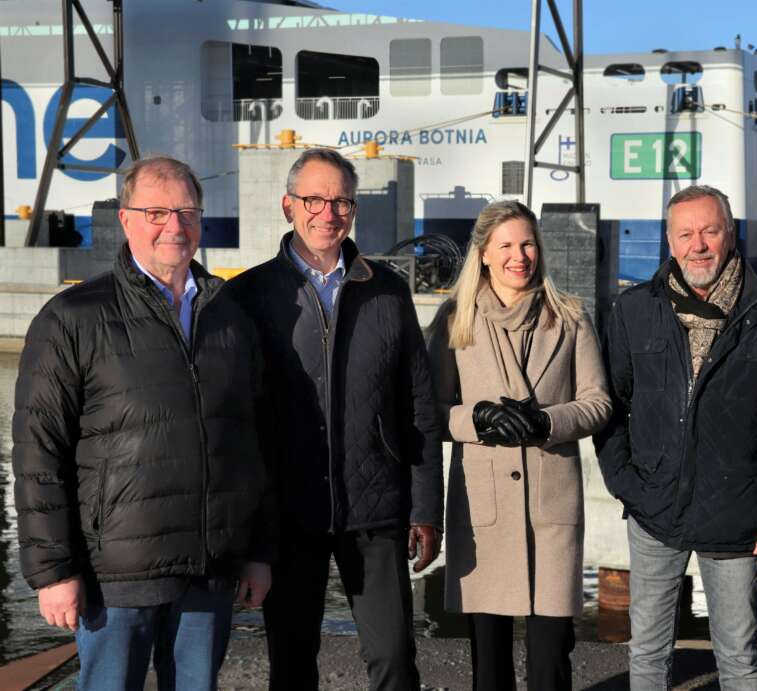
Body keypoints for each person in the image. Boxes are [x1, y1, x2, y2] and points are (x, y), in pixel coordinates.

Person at [12, 155, 274, 690]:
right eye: (156, 212)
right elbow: (39, 451)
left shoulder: (230, 317)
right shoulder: (73, 318)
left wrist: (257, 554)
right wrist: (53, 571)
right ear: (126, 219)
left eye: (186, 212)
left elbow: (255, 444)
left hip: (210, 567)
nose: (173, 226)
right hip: (117, 573)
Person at [225, 148, 444, 691]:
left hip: (375, 506)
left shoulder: (387, 291)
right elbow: (234, 418)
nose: (328, 212)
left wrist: (425, 506)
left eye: (341, 200)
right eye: (314, 199)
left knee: (394, 658)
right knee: (292, 662)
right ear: (288, 206)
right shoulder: (249, 296)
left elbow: (418, 402)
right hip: (289, 512)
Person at [596, 185, 757, 690]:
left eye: (710, 231)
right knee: (647, 651)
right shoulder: (634, 310)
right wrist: (627, 483)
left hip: (736, 519)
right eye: (686, 233)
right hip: (654, 510)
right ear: (669, 241)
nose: (699, 245)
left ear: (730, 235)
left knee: (738, 656)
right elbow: (610, 407)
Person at [426, 200, 611, 690]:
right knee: (489, 661)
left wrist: (545, 422)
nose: (519, 255)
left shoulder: (569, 317)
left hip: (551, 509)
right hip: (484, 511)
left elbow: (598, 403)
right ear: (484, 253)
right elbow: (431, 411)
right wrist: (478, 419)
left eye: (527, 243)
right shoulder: (454, 319)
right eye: (505, 245)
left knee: (551, 658)